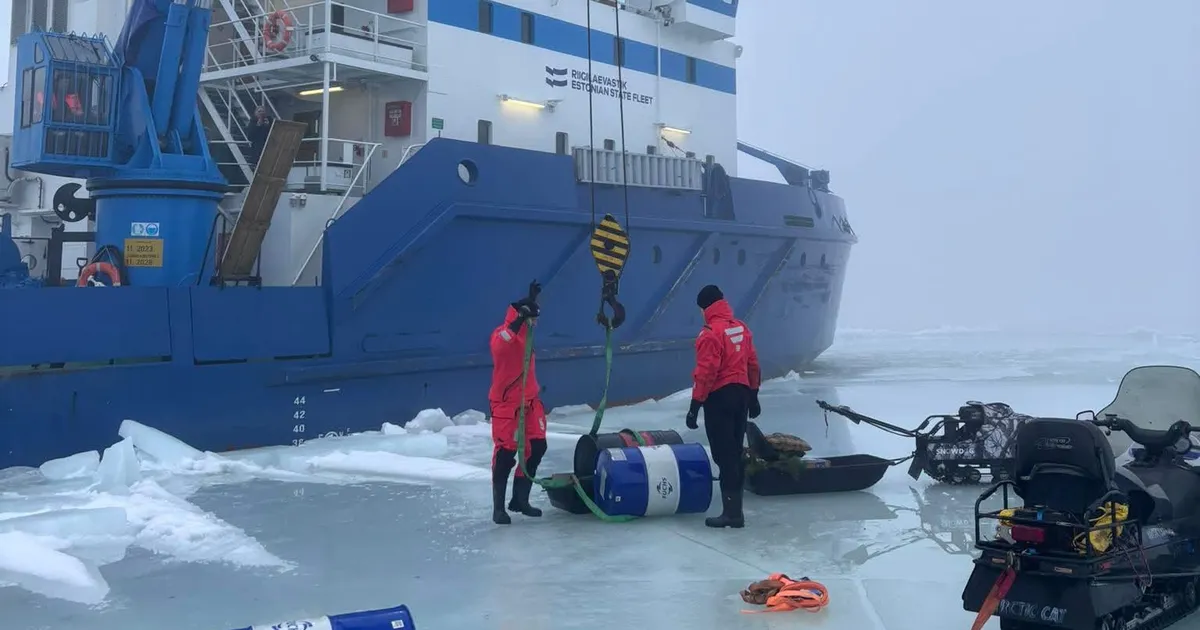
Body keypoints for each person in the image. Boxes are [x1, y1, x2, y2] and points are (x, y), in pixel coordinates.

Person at [686, 284, 762, 528]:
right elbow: (752, 364)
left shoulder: (710, 333)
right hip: (741, 395)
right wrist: (754, 395)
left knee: (724, 454)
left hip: (720, 398)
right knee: (735, 452)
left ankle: (732, 514)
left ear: (706, 307)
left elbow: (706, 372)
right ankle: (735, 510)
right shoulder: (741, 327)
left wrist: (695, 405)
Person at [488, 280, 548, 525]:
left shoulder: (528, 334)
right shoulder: (504, 333)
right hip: (507, 405)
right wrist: (519, 319)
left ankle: (520, 499)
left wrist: (531, 300)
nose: (537, 323)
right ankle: (498, 508)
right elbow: (500, 345)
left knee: (537, 447)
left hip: (530, 401)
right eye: (533, 319)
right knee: (506, 454)